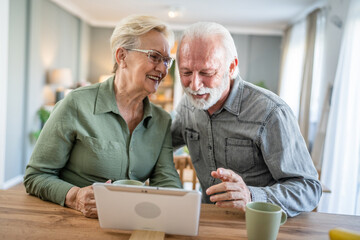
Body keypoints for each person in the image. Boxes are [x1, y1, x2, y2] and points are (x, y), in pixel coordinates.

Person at [24, 15, 181, 218]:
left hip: (130, 223)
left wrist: (179, 208)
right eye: (154, 56)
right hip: (72, 223)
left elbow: (166, 181)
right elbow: (36, 176)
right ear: (121, 56)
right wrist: (75, 197)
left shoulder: (162, 120)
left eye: (167, 60)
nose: (162, 69)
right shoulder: (76, 104)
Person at [171, 22, 322, 217]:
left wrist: (251, 196)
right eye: (186, 72)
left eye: (206, 73)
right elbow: (159, 144)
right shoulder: (188, 105)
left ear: (232, 67)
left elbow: (309, 189)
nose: (195, 85)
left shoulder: (271, 112)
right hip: (209, 223)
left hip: (259, 226)